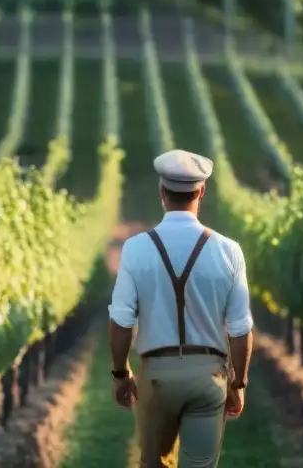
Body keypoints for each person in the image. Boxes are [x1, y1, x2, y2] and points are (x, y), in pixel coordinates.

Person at [108, 149, 254, 468]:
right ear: (201, 191)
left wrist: (121, 374)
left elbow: (120, 321)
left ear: (162, 192)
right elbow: (241, 329)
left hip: (156, 376)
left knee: (152, 463)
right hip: (209, 376)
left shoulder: (135, 249)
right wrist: (238, 383)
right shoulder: (229, 251)